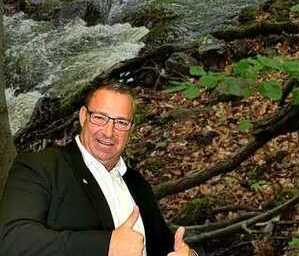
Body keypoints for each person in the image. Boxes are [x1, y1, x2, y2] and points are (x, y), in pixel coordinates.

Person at [0, 83, 202, 256]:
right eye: (100, 118)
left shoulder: (136, 183)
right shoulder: (43, 166)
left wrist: (190, 254)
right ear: (82, 116)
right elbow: (12, 240)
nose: (108, 132)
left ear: (131, 129)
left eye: (121, 123)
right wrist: (105, 245)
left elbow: (166, 246)